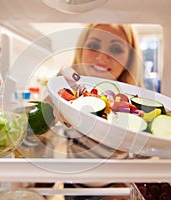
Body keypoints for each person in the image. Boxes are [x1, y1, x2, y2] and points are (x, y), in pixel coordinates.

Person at [60, 24, 146, 200]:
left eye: (115, 48)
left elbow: (145, 160)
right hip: (74, 191)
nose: (101, 57)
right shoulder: (67, 87)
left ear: (129, 60)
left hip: (118, 192)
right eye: (93, 46)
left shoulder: (137, 100)